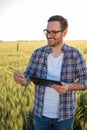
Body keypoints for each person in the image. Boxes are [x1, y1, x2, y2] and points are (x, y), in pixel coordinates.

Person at [13, 15, 87, 130]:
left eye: (54, 32)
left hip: (65, 116)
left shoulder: (75, 55)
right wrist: (21, 79)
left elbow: (85, 80)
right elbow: (27, 77)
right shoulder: (37, 53)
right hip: (40, 115)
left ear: (64, 33)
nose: (49, 35)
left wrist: (68, 87)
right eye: (47, 31)